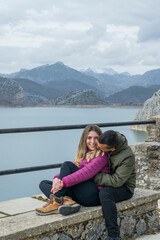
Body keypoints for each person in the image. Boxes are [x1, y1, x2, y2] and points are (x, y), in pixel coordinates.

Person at [35, 124, 110, 216]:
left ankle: (56, 201)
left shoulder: (102, 155)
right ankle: (68, 202)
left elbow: (85, 173)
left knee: (67, 164)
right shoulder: (83, 153)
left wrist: (62, 183)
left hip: (93, 195)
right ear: (84, 139)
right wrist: (56, 179)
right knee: (43, 184)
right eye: (89, 138)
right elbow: (70, 171)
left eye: (96, 138)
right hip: (80, 194)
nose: (92, 141)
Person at [93, 130, 136, 240]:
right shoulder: (109, 138)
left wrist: (93, 175)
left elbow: (117, 181)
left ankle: (113, 235)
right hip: (107, 181)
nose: (98, 148)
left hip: (125, 187)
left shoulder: (127, 156)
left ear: (112, 149)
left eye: (102, 148)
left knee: (105, 193)